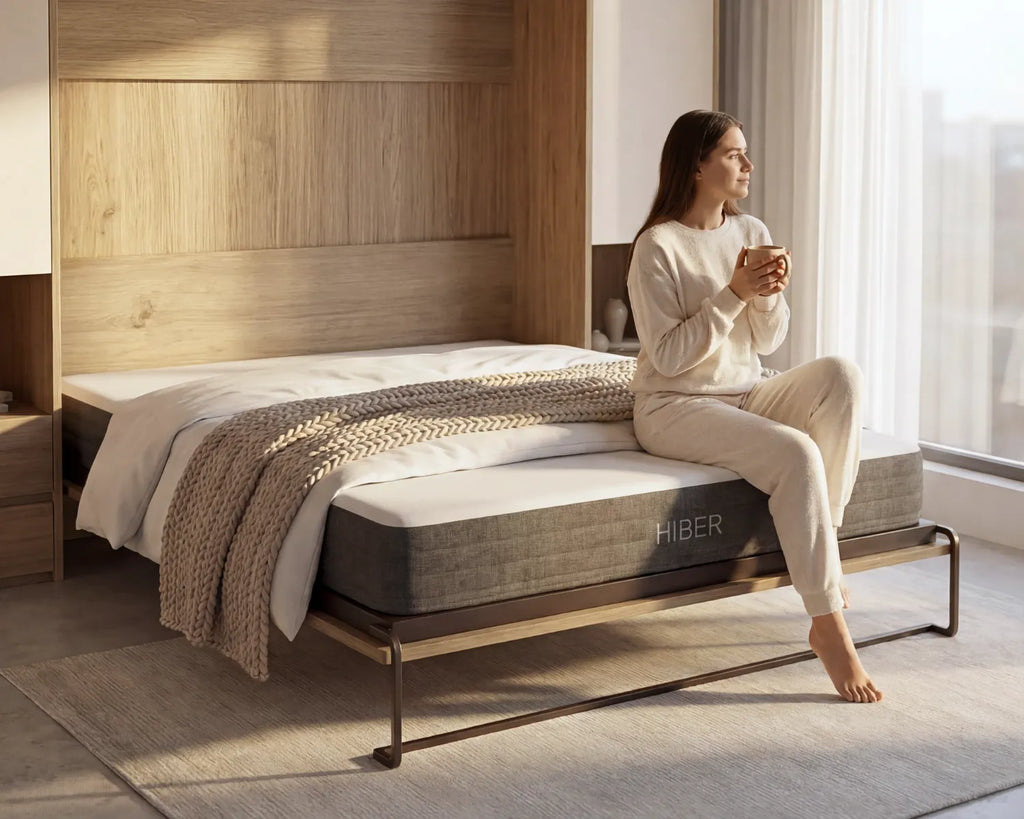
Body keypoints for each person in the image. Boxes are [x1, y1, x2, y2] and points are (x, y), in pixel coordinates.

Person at [626, 109, 882, 703]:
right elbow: (667, 359)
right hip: (675, 405)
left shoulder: (750, 230)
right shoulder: (656, 246)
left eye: (745, 153)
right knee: (795, 452)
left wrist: (766, 297)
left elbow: (768, 343)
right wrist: (734, 293)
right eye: (734, 154)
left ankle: (828, 550)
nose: (747, 164)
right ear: (696, 165)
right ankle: (827, 624)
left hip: (746, 388)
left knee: (842, 374)